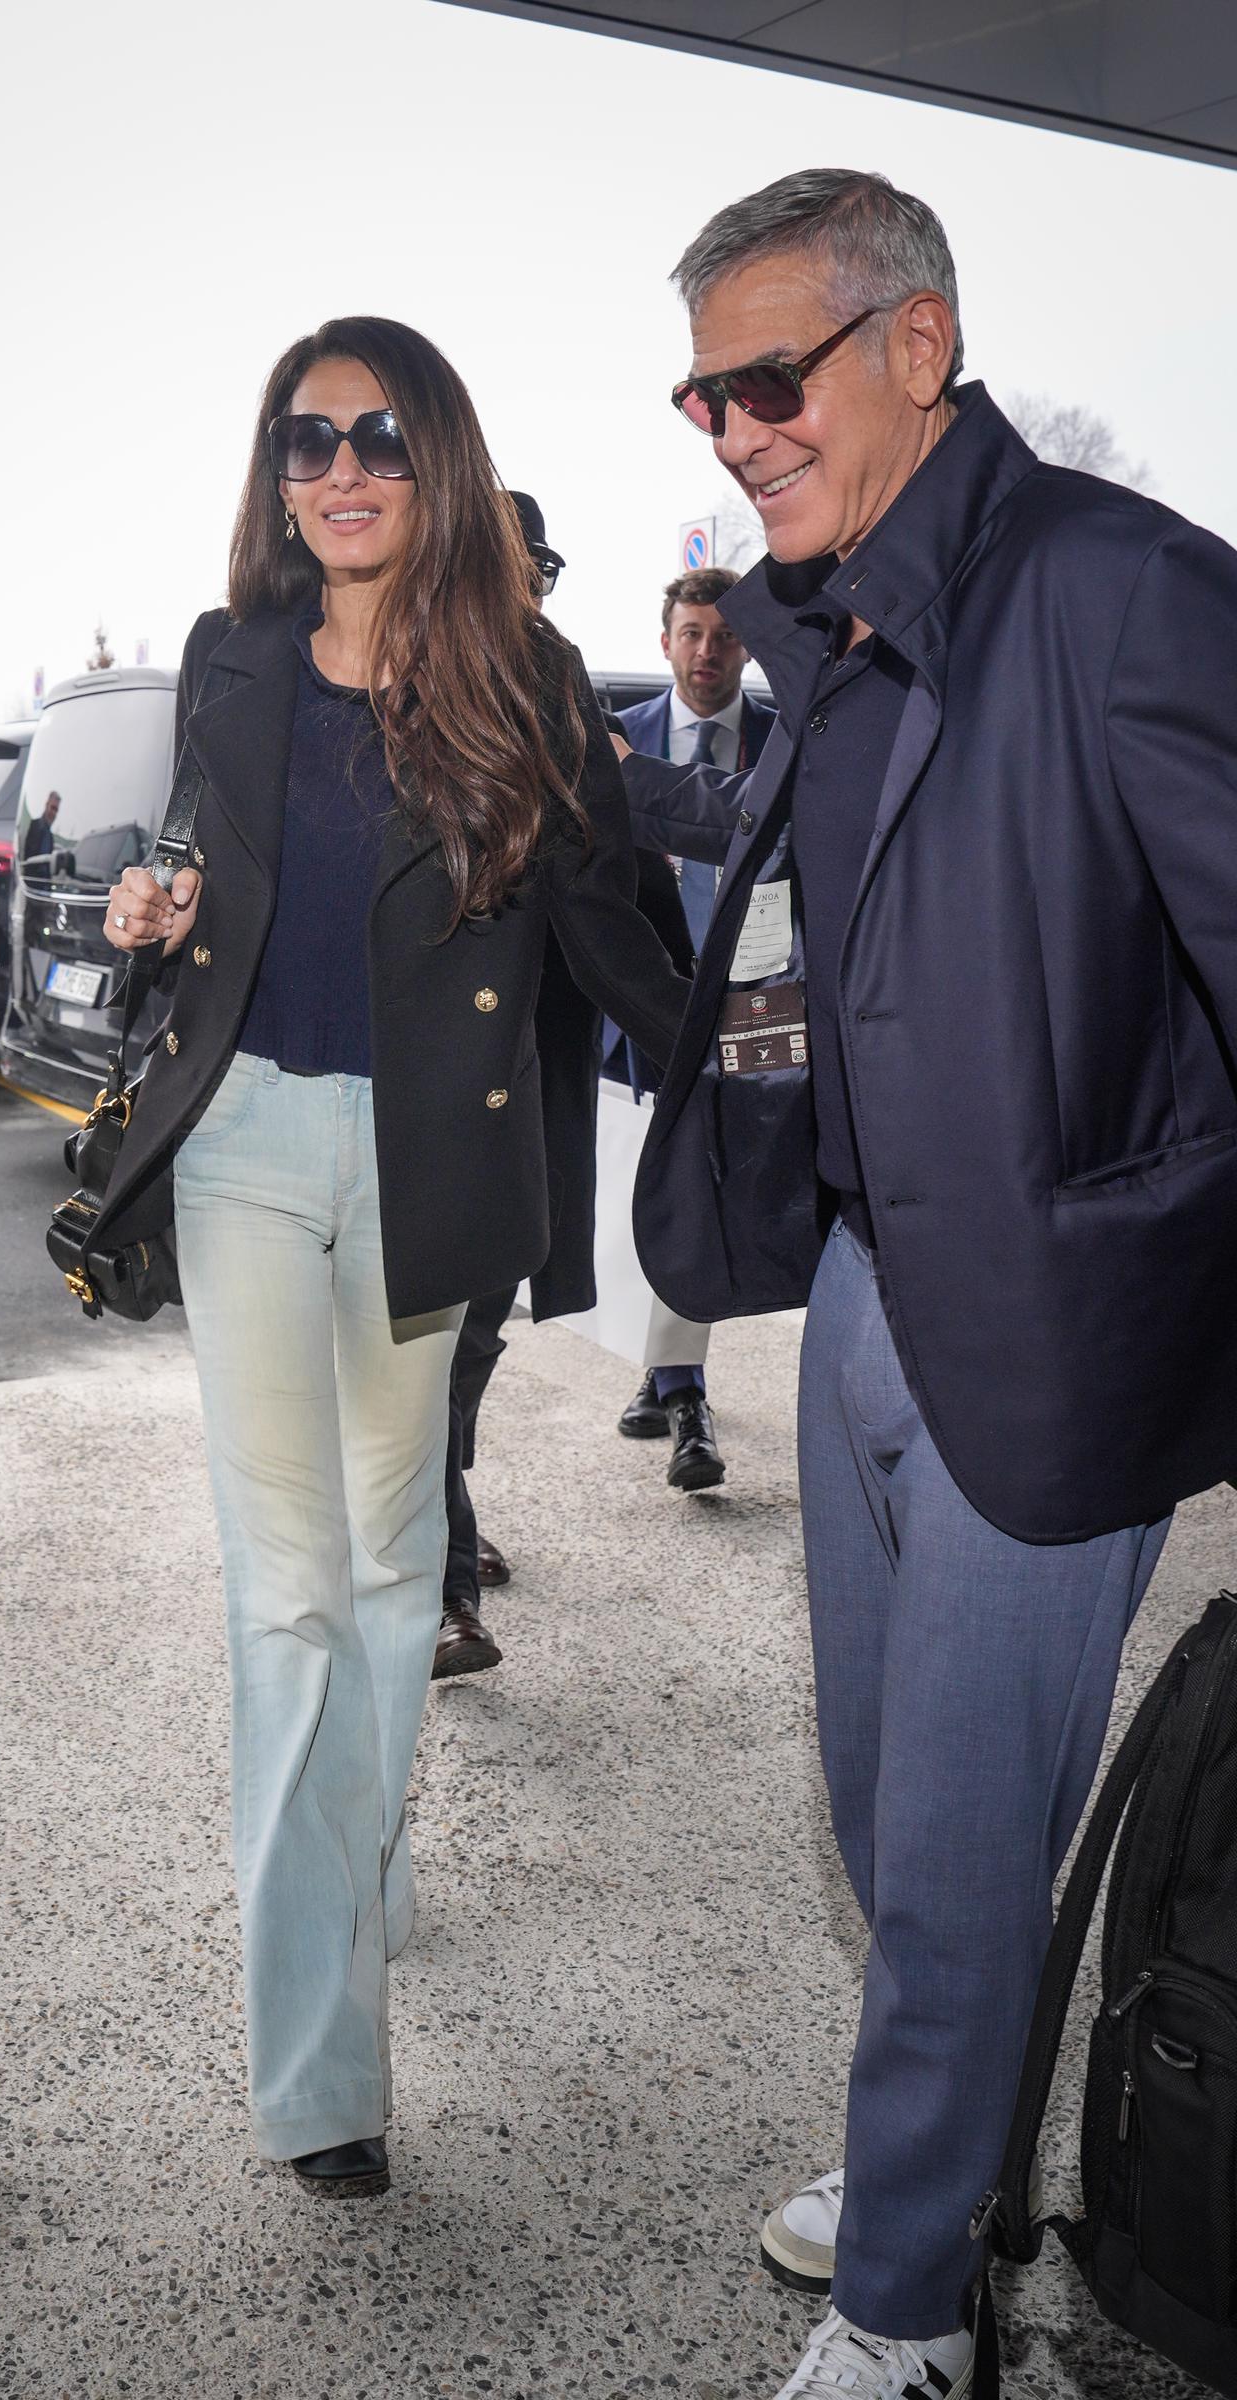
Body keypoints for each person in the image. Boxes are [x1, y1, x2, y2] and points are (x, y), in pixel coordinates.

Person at [634, 166, 1237, 2400]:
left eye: (765, 376)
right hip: (866, 1293)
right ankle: (946, 2147)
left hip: (1055, 1328)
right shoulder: (829, 630)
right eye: (701, 393)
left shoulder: (1116, 593)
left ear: (914, 342)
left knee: (969, 1838)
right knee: (885, 1810)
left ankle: (908, 2312)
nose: (730, 428)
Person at [93, 316, 690, 2200]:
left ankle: (362, 1845)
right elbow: (193, 870)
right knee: (287, 1600)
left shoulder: (518, 677)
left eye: (373, 438)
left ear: (434, 459)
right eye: (304, 441)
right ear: (277, 478)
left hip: (434, 1171)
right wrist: (149, 910)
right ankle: (324, 2073)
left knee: (390, 1572)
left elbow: (612, 924)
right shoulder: (231, 663)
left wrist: (771, 1076)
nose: (338, 472)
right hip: (251, 1147)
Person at [433, 488, 600, 1681]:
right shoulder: (410, 674)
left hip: (530, 1076)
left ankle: (444, 1516)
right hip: (427, 1089)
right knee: (429, 1347)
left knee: (475, 1334)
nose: (525, 583)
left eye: (537, 563)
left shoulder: (556, 675)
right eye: (507, 559)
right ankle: (441, 1589)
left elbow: (607, 870)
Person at [611, 568, 776, 1492]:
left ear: (744, 647)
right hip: (643, 1000)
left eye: (724, 636)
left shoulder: (780, 740)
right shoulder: (618, 745)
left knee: (703, 1179)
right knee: (659, 1175)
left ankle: (675, 1383)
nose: (707, 652)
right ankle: (675, 1383)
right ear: (665, 641)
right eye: (691, 635)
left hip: (750, 1001)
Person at [23, 788, 60, 864]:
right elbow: (28, 858)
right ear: (46, 805)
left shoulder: (50, 837)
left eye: (56, 810)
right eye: (52, 807)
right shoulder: (34, 826)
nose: (53, 813)